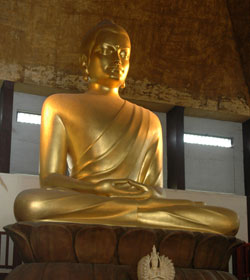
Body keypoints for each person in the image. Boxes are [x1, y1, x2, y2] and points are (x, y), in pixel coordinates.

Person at [14, 20, 239, 236]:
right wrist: (98, 188)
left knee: (228, 219)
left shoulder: (150, 120)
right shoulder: (59, 105)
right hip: (93, 198)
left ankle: (134, 217)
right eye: (107, 51)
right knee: (30, 204)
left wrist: (144, 193)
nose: (117, 60)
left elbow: (156, 191)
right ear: (85, 61)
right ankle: (141, 220)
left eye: (124, 54)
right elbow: (50, 180)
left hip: (133, 204)